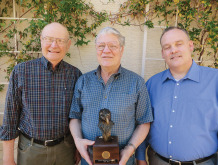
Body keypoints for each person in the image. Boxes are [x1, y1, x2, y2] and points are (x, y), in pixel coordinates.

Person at [0, 22, 82, 165]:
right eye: (49, 39)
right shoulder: (21, 72)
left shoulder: (75, 74)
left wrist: (77, 147)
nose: (54, 45)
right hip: (30, 150)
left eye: (60, 40)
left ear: (68, 45)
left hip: (65, 149)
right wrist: (7, 158)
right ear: (41, 41)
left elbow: (78, 116)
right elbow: (10, 118)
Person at [69, 27, 153, 165]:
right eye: (101, 46)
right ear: (96, 49)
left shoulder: (136, 82)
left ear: (122, 50)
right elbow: (75, 117)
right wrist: (78, 141)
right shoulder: (83, 81)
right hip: (89, 159)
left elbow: (144, 122)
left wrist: (130, 149)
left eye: (112, 46)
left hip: (123, 159)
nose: (106, 50)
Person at [136, 26, 218, 165]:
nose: (173, 50)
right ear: (163, 53)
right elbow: (143, 122)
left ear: (190, 45)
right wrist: (140, 157)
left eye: (178, 44)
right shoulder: (152, 84)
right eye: (167, 47)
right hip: (158, 161)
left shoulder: (216, 80)